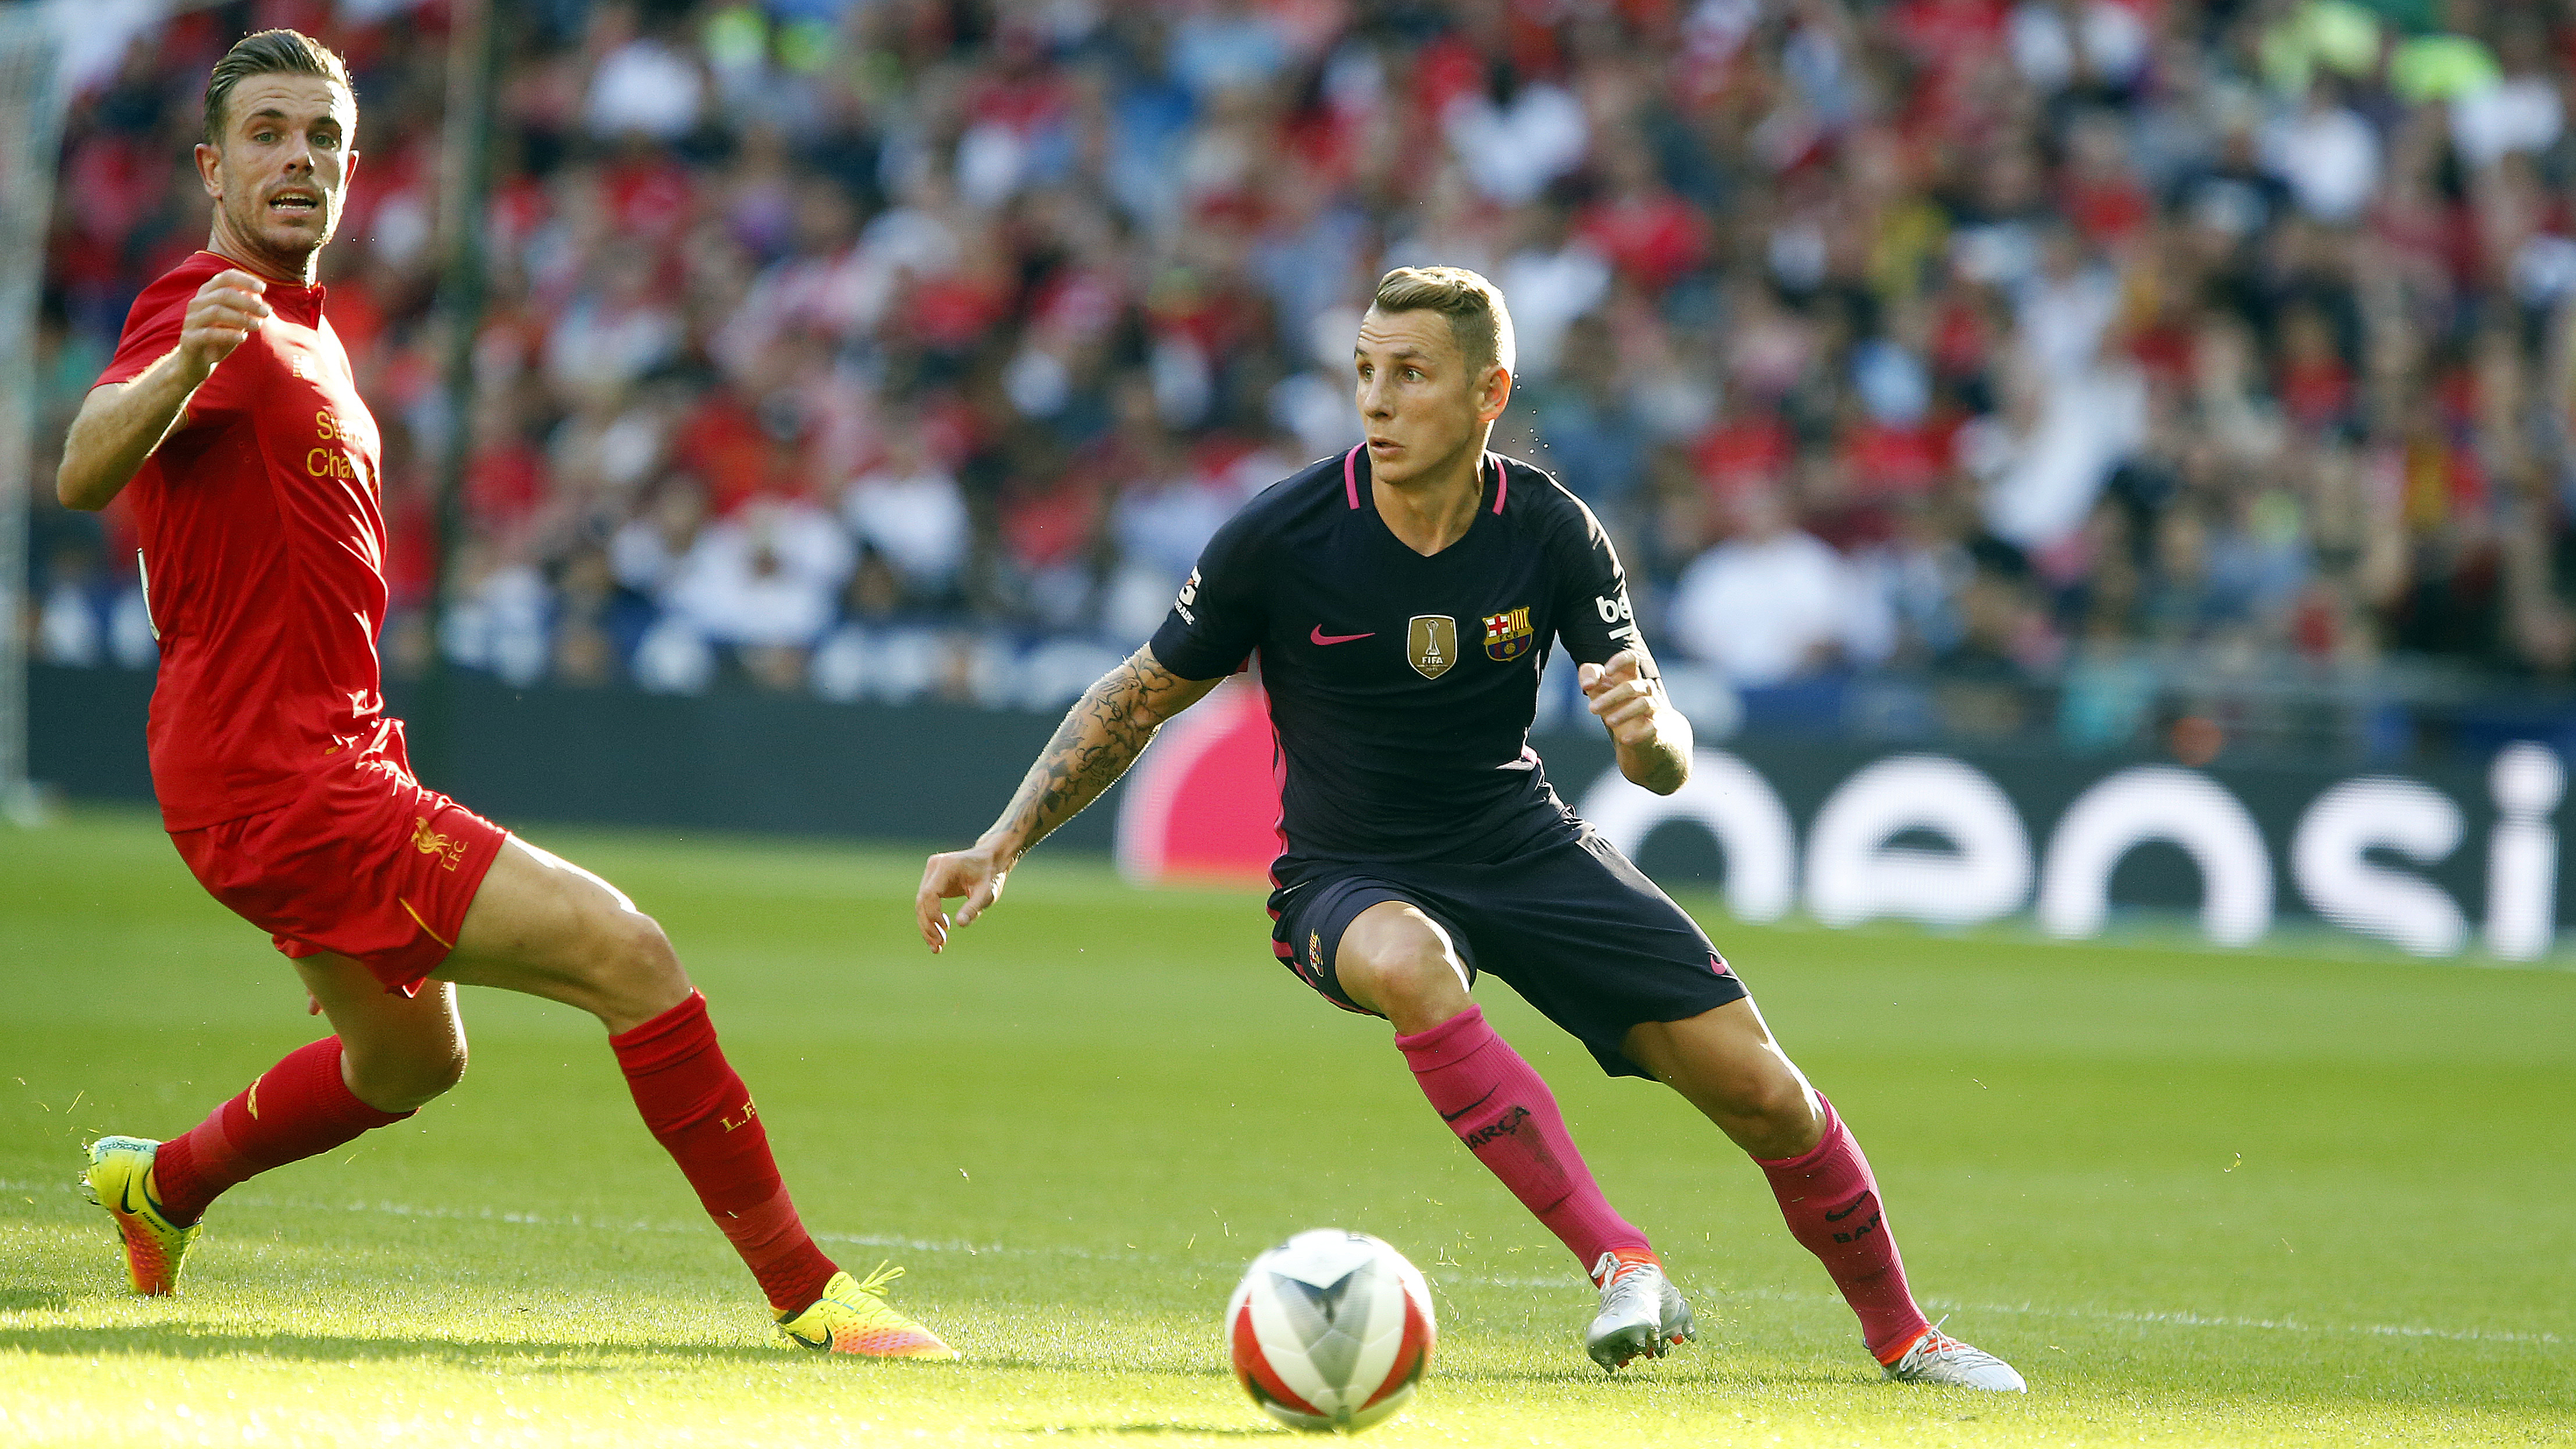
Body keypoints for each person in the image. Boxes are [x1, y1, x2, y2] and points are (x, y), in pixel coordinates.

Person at [917, 266, 2025, 1389]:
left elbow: (1661, 761)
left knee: (1766, 1093)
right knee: (1413, 959)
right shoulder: (1285, 535)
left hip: (1521, 845)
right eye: (1364, 372)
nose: (1377, 400)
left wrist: (1653, 734)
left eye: (1411, 374)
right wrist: (1001, 840)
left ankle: (1905, 1337)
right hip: (1346, 875)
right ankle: (1620, 1261)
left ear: (1490, 392)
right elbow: (1136, 695)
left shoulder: (1551, 531)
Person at [54, 29, 949, 1360]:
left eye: (324, 140)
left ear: (353, 170)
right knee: (629, 955)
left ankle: (163, 1185)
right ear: (211, 164)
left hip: (298, 762)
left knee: (413, 1063)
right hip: (283, 779)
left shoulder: (300, 329)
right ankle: (811, 1295)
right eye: (268, 134)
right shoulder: (210, 305)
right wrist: (181, 362)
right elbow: (80, 465)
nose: (298, 159)